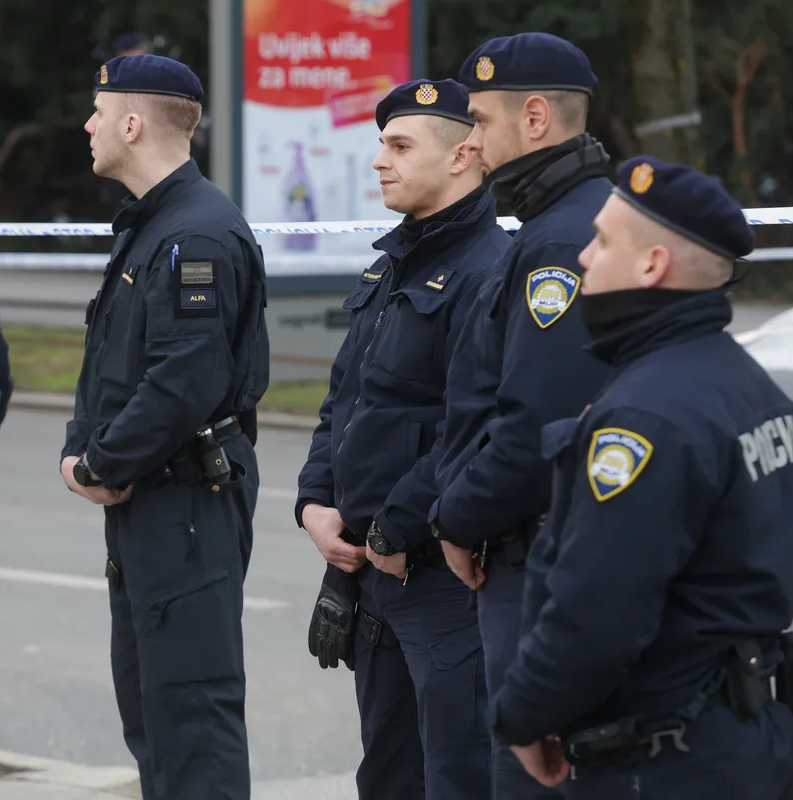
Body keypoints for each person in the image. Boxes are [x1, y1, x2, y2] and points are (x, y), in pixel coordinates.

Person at [487, 156, 793, 798]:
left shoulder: (642, 417)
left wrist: (521, 717)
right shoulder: (747, 384)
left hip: (665, 756)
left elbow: (596, 611)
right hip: (742, 735)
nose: (583, 258)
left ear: (651, 265)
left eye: (602, 240)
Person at [59, 53, 269, 800]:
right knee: (151, 711)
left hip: (187, 504)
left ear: (133, 122)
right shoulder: (152, 227)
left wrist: (102, 462)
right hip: (151, 500)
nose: (88, 125)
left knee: (191, 715)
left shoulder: (197, 238)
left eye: (98, 110)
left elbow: (186, 380)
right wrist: (81, 446)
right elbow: (109, 361)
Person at [295, 78, 510, 799]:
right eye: (380, 144)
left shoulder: (491, 270)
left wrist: (393, 526)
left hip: (444, 576)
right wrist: (316, 501)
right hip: (371, 572)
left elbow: (471, 424)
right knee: (387, 775)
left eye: (399, 145)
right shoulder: (391, 262)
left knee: (457, 775)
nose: (379, 161)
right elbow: (346, 399)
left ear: (464, 155)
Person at [425, 33, 615, 799]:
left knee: (531, 774)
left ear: (534, 116)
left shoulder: (561, 237)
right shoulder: (560, 219)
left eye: (477, 120)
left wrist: (458, 519)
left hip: (534, 553)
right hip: (536, 542)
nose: (469, 143)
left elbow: (538, 420)